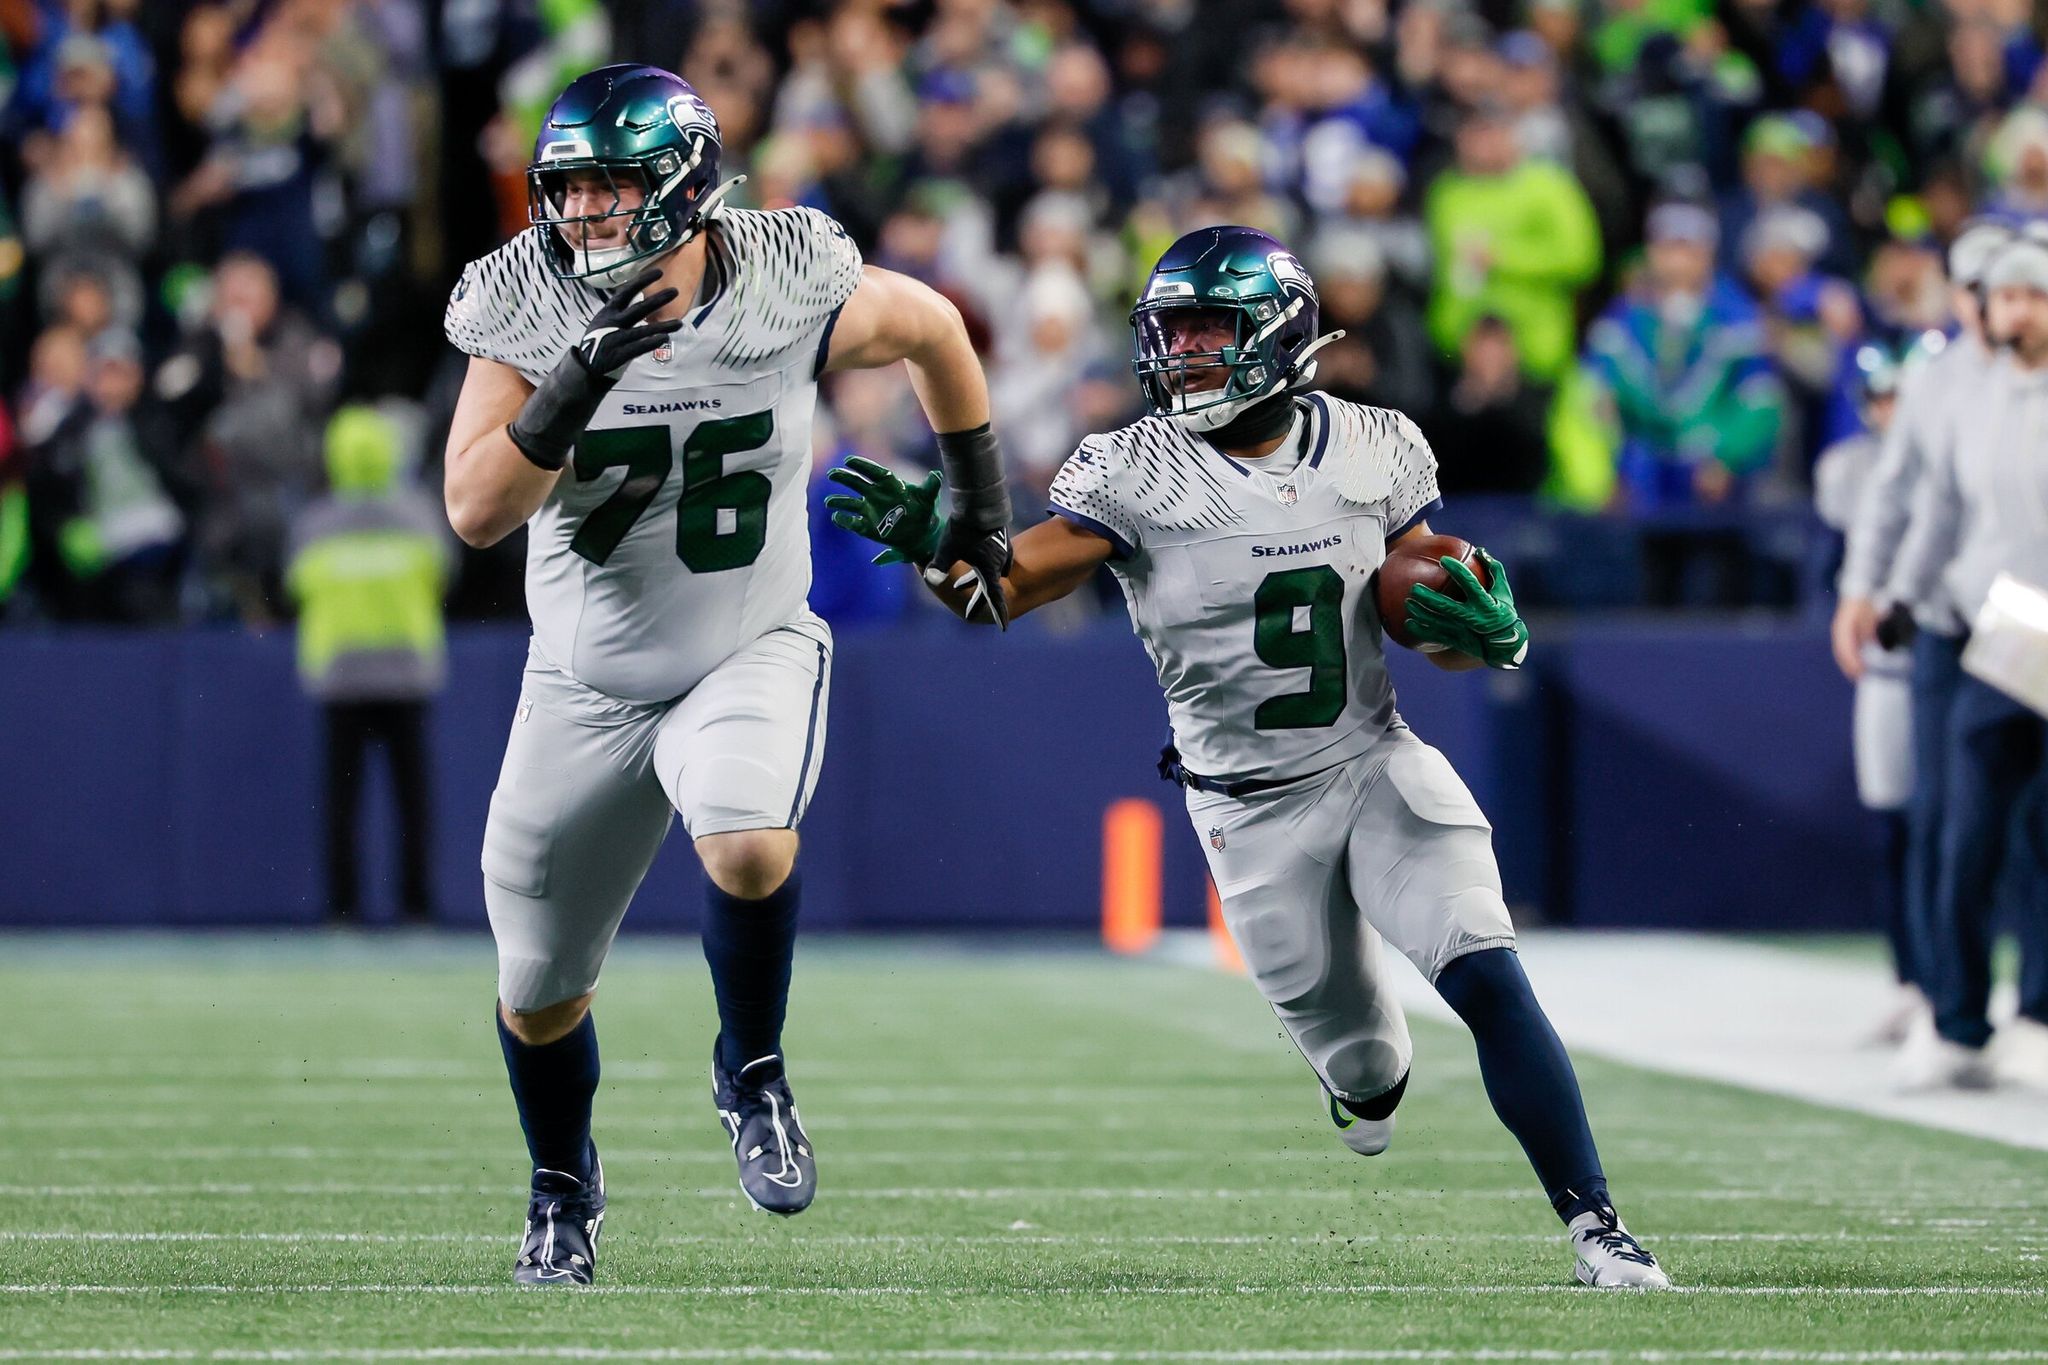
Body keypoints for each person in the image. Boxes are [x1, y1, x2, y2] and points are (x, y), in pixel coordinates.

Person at [826, 225, 1669, 1290]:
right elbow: (998, 590)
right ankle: (1360, 1086)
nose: (1182, 353)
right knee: (1366, 1069)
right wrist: (939, 547)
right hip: (1247, 808)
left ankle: (1598, 1228)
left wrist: (1484, 634)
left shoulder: (1376, 444)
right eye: (1169, 331)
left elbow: (1423, 607)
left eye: (1207, 330)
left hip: (1371, 760)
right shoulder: (1134, 466)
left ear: (1277, 335)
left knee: (1485, 971)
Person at [440, 65, 1011, 1286]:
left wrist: (977, 506)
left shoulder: (782, 273)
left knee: (747, 838)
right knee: (537, 991)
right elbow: (476, 509)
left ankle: (750, 1072)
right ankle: (560, 1185)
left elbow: (934, 330)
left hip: (745, 641)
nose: (584, 215)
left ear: (686, 187)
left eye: (611, 187)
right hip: (583, 679)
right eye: (570, 189)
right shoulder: (524, 297)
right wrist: (576, 378)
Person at [1831, 219, 2013, 1053]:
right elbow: (1917, 499)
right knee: (1944, 818)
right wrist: (1877, 590)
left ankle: (2024, 1005)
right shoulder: (1943, 384)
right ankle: (1949, 1000)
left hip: (2023, 616)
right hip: (1955, 620)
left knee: (2025, 824)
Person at [1885, 236, 2048, 1092]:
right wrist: (1900, 592)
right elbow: (1942, 503)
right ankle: (1957, 1015)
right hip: (2001, 630)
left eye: (2034, 297)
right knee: (1968, 828)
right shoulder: (1971, 395)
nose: (2017, 312)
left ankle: (2040, 1017)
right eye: (2008, 296)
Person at [287, 406, 453, 926]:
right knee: (412, 802)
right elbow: (444, 572)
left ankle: (342, 909)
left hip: (340, 677)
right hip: (407, 673)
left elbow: (295, 585)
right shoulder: (420, 516)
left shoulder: (315, 524)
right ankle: (417, 906)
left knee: (342, 802)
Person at [1813, 346, 1913, 1028]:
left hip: (1964, 651)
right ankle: (1916, 976)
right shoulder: (1852, 469)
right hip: (1893, 662)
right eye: (1880, 395)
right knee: (1901, 824)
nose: (1891, 409)